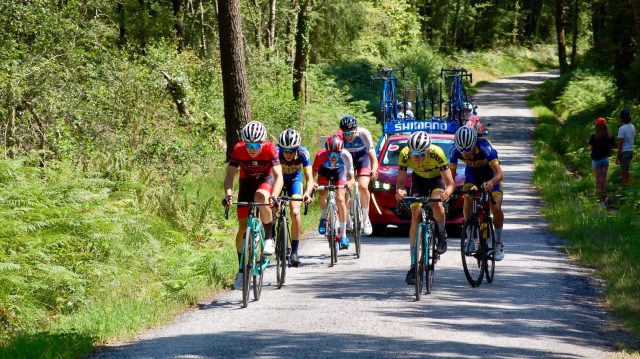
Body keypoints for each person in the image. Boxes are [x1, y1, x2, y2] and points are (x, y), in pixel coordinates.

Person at [395, 131, 455, 285]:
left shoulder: (437, 153)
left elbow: (450, 183)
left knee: (436, 203)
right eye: (414, 153)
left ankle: (441, 233)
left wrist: (447, 192)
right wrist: (399, 191)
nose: (416, 157)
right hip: (418, 180)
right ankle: (414, 265)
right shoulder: (405, 154)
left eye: (421, 154)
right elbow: (400, 181)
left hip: (436, 180)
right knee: (415, 215)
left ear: (428, 150)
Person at [223, 121, 283, 272]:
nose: (251, 149)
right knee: (242, 226)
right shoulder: (238, 149)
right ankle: (241, 269)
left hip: (266, 180)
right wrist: (228, 195)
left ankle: (269, 238)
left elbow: (279, 177)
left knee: (260, 197)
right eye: (248, 145)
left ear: (263, 143)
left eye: (256, 146)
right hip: (246, 182)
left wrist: (274, 196)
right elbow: (229, 176)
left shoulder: (270, 149)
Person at [449, 126, 505, 261]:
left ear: (474, 143)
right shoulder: (454, 150)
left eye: (467, 150)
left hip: (490, 174)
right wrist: (450, 190)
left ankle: (498, 243)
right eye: (461, 150)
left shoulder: (484, 147)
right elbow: (450, 176)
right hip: (473, 174)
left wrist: (491, 182)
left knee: (496, 207)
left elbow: (499, 174)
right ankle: (470, 236)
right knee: (468, 195)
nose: (465, 154)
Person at [277, 129, 314, 267]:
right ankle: (273, 238)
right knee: (273, 207)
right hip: (278, 181)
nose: (288, 154)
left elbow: (309, 178)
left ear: (297, 148)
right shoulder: (275, 152)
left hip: (295, 181)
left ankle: (294, 252)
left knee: (295, 211)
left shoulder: (303, 153)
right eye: (285, 150)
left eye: (292, 151)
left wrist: (307, 194)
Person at [313, 135, 355, 249]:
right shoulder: (320, 155)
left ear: (341, 151)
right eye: (331, 154)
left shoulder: (346, 155)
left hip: (340, 172)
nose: (333, 157)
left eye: (336, 154)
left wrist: (350, 182)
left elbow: (352, 177)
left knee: (341, 198)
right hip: (324, 172)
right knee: (322, 194)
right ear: (326, 151)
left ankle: (344, 235)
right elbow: (312, 174)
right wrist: (312, 183)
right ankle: (324, 217)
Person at [338, 115, 378, 235]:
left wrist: (374, 170)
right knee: (343, 189)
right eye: (346, 134)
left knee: (363, 186)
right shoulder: (339, 137)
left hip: (362, 158)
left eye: (351, 133)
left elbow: (373, 158)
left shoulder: (364, 134)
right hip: (346, 160)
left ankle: (366, 219)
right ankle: (347, 217)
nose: (348, 137)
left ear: (356, 130)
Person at [588, 118, 615, 206]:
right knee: (603, 179)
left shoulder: (594, 136)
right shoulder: (609, 137)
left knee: (598, 180)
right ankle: (604, 198)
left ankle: (598, 199)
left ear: (597, 126)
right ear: (605, 126)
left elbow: (590, 148)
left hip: (596, 160)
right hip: (605, 159)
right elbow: (611, 149)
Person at [616, 108, 636, 186]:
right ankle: (627, 187)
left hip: (624, 152)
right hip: (631, 151)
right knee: (626, 170)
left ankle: (626, 187)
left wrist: (617, 157)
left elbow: (620, 143)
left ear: (622, 118)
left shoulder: (622, 128)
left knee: (624, 171)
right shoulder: (632, 126)